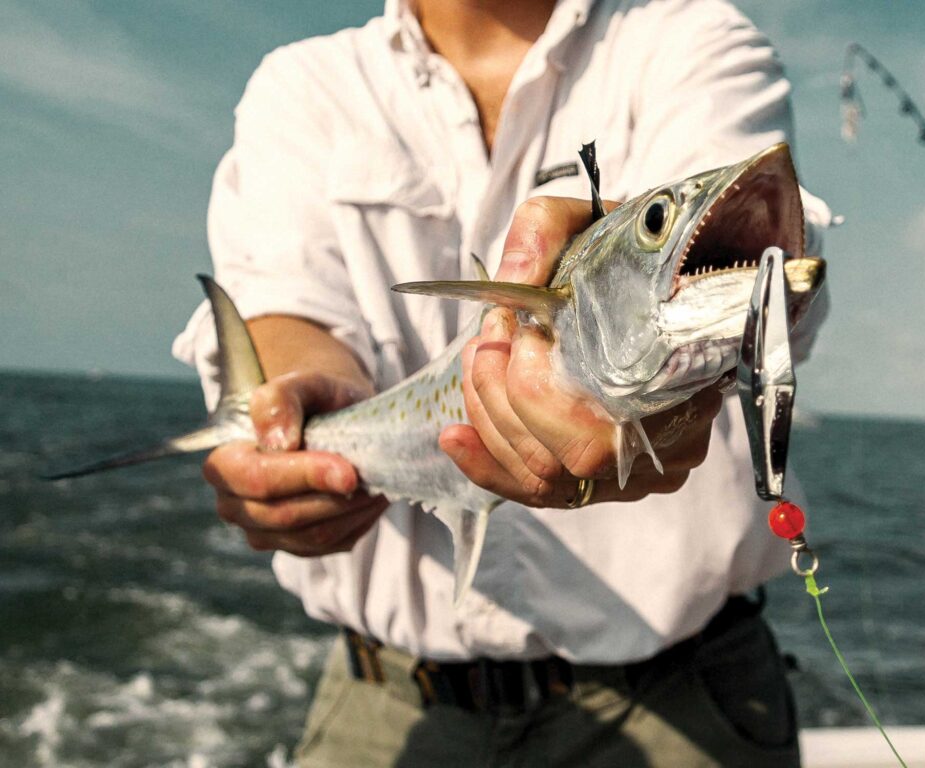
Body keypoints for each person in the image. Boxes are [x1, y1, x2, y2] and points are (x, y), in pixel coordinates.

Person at [173, 0, 832, 765]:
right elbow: (287, 305)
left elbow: (730, 254)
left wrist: (669, 387)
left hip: (682, 700)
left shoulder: (689, 37)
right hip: (385, 706)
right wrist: (294, 408)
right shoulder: (303, 85)